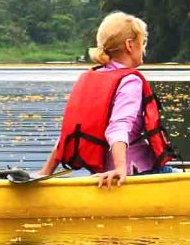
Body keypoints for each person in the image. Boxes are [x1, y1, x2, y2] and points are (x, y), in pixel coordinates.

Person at [41, 11, 176, 188]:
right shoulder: (130, 80)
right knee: (176, 174)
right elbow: (119, 126)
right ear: (129, 45)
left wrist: (45, 172)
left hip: (100, 174)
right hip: (137, 173)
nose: (143, 49)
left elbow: (67, 134)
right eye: (142, 42)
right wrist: (120, 168)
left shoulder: (91, 78)